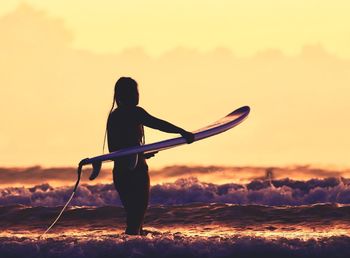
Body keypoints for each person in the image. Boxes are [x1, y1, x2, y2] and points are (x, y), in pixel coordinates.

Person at [105, 77, 194, 235]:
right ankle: (132, 250)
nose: (137, 96)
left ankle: (130, 249)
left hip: (120, 174)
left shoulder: (114, 116)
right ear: (124, 95)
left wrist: (141, 154)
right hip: (137, 174)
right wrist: (182, 132)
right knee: (136, 219)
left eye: (137, 92)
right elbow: (159, 124)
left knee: (134, 218)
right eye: (134, 92)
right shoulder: (135, 112)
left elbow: (115, 151)